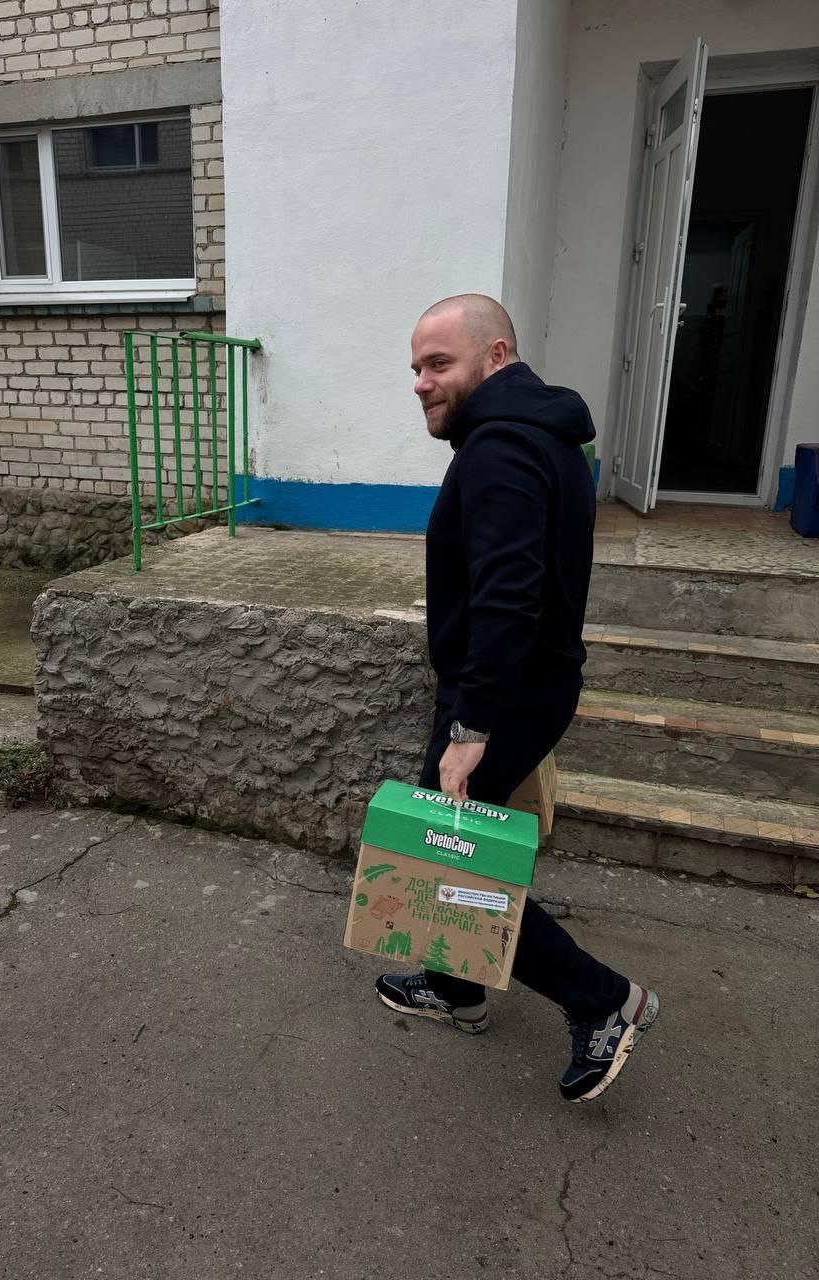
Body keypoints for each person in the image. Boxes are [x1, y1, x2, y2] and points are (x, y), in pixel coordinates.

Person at [374, 294, 659, 1103]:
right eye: (416, 367)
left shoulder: (500, 447)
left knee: (445, 856)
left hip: (500, 694)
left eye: (439, 363)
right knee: (456, 841)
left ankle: (605, 1001)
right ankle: (455, 987)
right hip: (521, 686)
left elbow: (509, 594)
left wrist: (472, 722)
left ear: (496, 355)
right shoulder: (543, 435)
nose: (422, 382)